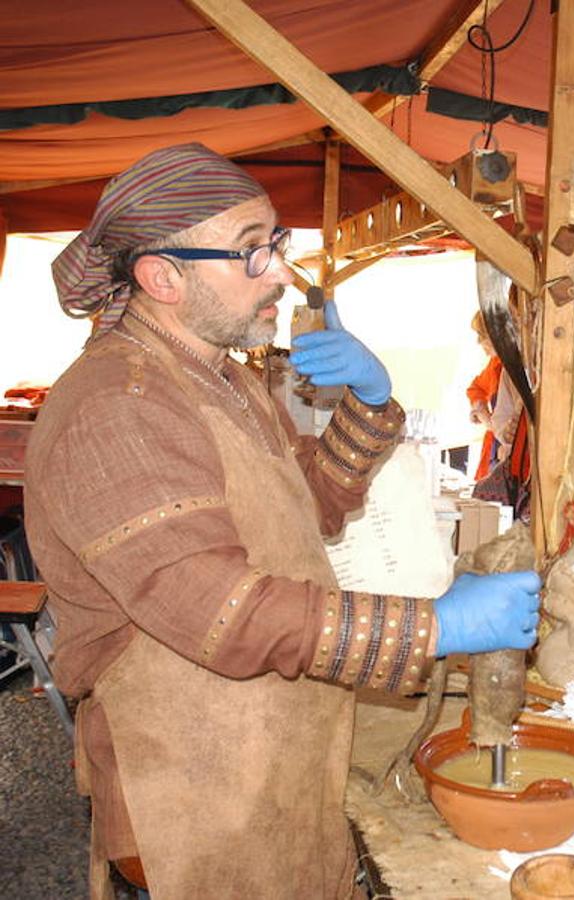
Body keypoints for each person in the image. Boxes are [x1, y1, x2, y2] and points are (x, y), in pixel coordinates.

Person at [22, 143, 541, 899]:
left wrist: (370, 397)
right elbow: (222, 613)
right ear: (161, 277)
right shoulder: (117, 407)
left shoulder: (219, 377)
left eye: (276, 244)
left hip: (264, 750)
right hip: (192, 785)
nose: (280, 273)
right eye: (249, 254)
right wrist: (430, 627)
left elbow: (311, 502)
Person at [466, 311, 502, 479]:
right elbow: (476, 388)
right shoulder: (495, 364)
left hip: (508, 453)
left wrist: (490, 423)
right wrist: (480, 408)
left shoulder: (515, 367)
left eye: (482, 335)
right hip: (493, 451)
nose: (479, 342)